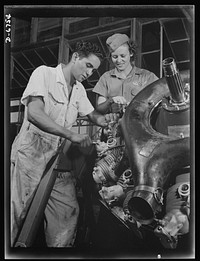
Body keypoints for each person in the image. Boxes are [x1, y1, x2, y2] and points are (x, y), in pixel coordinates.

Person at [10, 41, 118, 247]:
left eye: (94, 70)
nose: (90, 73)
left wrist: (109, 116)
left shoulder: (78, 89)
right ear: (76, 57)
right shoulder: (45, 74)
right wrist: (71, 135)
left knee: (67, 212)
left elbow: (93, 115)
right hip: (30, 154)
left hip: (55, 161)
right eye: (88, 66)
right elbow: (34, 113)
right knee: (16, 213)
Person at [92, 33, 159, 115]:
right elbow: (99, 109)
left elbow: (160, 101)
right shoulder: (106, 78)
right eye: (115, 57)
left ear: (131, 53)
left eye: (123, 56)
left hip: (140, 125)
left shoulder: (147, 76)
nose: (119, 61)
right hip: (115, 126)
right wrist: (110, 101)